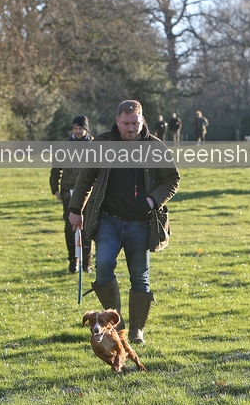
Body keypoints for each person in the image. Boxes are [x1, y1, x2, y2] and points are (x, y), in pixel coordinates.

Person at [69, 100, 180, 344]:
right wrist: (75, 209)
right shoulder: (102, 143)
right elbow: (86, 177)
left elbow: (172, 179)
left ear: (142, 120)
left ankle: (136, 330)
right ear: (117, 121)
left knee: (139, 276)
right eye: (126, 123)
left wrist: (152, 201)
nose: (131, 128)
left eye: (135, 123)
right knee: (103, 266)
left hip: (141, 222)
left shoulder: (155, 146)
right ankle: (115, 324)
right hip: (108, 220)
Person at [49, 115, 94, 273]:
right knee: (70, 227)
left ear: (86, 129)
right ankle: (73, 260)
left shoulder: (94, 145)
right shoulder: (64, 144)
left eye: (80, 128)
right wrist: (55, 188)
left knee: (87, 227)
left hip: (89, 193)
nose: (77, 131)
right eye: (75, 128)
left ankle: (86, 262)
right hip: (69, 192)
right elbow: (56, 168)